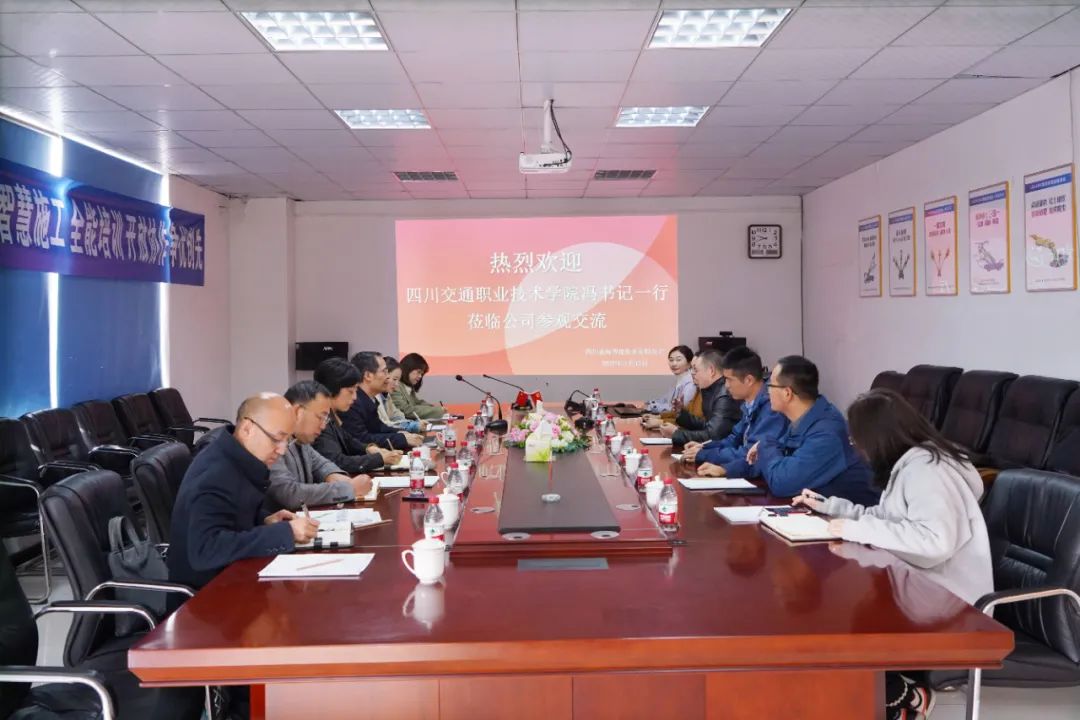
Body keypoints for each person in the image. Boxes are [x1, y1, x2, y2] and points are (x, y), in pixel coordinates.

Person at [796, 388, 992, 719]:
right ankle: (898, 700)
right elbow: (890, 520)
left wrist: (856, 529)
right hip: (920, 587)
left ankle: (907, 696)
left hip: (949, 602)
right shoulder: (911, 466)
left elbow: (935, 542)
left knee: (836, 624)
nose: (857, 449)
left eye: (857, 441)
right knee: (842, 615)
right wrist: (832, 508)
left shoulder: (927, 471)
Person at [168, 393, 319, 591]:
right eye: (276, 439)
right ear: (247, 429)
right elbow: (205, 550)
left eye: (287, 440)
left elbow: (232, 513)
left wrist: (265, 520)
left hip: (232, 576)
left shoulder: (235, 455)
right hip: (206, 594)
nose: (282, 450)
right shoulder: (215, 474)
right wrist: (285, 532)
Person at [747, 355, 879, 505]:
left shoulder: (827, 433)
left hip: (852, 516)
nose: (767, 391)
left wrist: (765, 444)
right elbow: (774, 460)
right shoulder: (804, 419)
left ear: (787, 393)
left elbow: (782, 483)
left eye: (770, 385)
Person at [265, 381, 374, 512]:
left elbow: (321, 464)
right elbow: (289, 494)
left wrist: (333, 475)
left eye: (326, 419)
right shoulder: (272, 441)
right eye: (320, 417)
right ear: (298, 412)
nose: (323, 426)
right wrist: (348, 489)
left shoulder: (300, 439)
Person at [685, 346, 788, 477]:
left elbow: (750, 453)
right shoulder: (749, 403)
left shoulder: (771, 408)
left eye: (729, 379)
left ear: (748, 380)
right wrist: (703, 447)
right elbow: (733, 439)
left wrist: (706, 456)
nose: (726, 385)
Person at [312, 357, 403, 474]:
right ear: (331, 389)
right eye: (351, 391)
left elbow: (349, 441)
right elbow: (336, 461)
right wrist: (379, 459)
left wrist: (369, 449)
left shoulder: (332, 415)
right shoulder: (320, 420)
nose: (355, 397)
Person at [342, 351, 424, 451]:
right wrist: (401, 439)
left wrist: (399, 433)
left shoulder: (369, 399)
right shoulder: (352, 402)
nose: (388, 377)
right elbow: (362, 440)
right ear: (368, 375)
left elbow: (379, 428)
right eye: (384, 371)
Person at [658, 349, 741, 446]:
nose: (692, 374)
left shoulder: (725, 395)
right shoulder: (711, 389)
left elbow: (713, 436)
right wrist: (680, 413)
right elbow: (707, 425)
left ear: (711, 371)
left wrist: (676, 434)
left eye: (696, 370)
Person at [378, 356, 427, 433]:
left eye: (398, 380)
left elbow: (397, 416)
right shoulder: (374, 397)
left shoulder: (387, 395)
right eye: (394, 379)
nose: (397, 384)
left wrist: (411, 424)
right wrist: (412, 426)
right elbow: (382, 425)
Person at [644, 345, 696, 415]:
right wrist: (648, 403)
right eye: (671, 360)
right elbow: (664, 400)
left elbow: (678, 409)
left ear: (689, 363)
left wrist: (650, 407)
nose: (674, 364)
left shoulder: (691, 384)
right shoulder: (676, 382)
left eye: (678, 360)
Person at [391, 352, 444, 420]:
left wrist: (434, 408)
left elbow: (417, 403)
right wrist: (437, 410)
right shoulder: (395, 386)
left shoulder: (408, 387)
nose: (420, 376)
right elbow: (405, 410)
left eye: (421, 374)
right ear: (408, 368)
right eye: (418, 372)